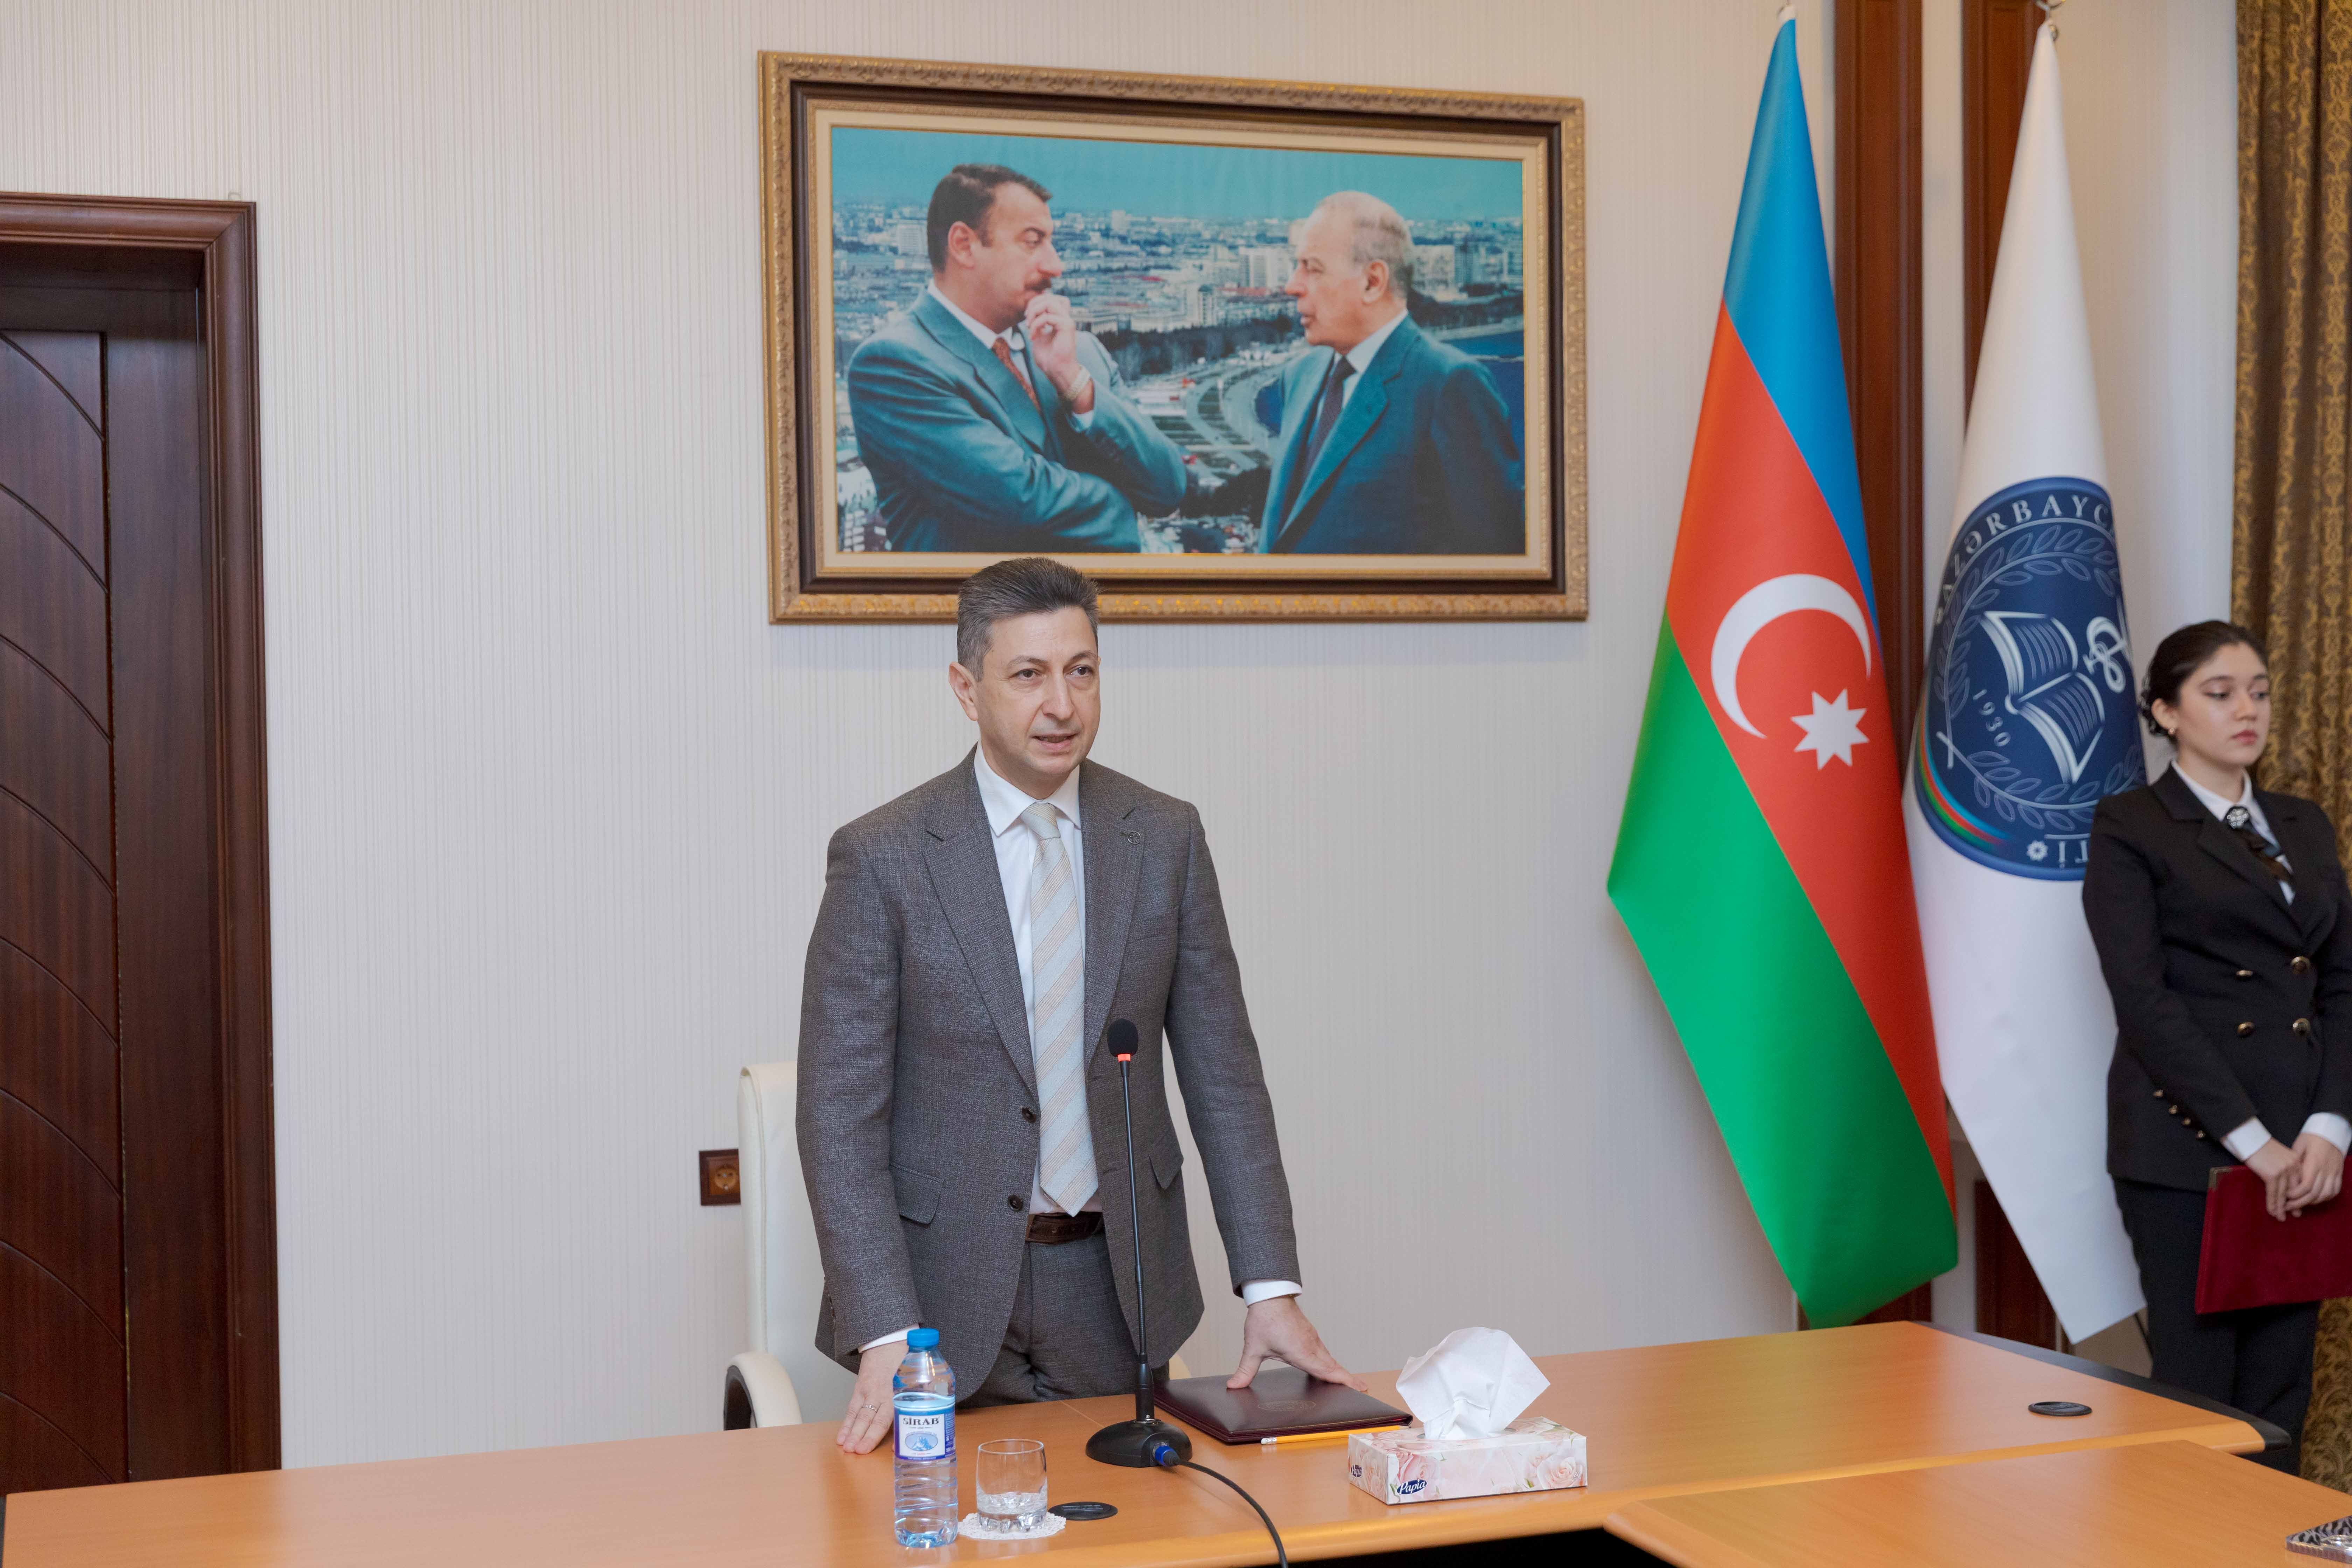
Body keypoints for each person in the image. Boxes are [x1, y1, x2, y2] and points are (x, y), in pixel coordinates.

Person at [797, 556, 1364, 1454]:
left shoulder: (1164, 837)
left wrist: (1270, 1287)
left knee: (1133, 1522)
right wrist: (885, 1327)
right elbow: (839, 1115)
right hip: (939, 1298)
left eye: (1082, 670)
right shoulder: (883, 857)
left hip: (1117, 1285)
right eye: (1028, 674)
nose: (1061, 704)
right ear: (966, 688)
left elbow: (1225, 1078)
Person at [2084, 620, 2352, 1472]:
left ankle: (2272, 1542)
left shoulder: (2304, 824)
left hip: (2305, 1148)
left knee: (2283, 1384)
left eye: (2260, 692)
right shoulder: (2131, 825)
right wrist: (2254, 1145)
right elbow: (2144, 1002)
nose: (2248, 710)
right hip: (2189, 1145)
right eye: (2221, 692)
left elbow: (2343, 983)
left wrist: (2330, 1128)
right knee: (2199, 1391)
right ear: (2166, 712)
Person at [846, 165, 1188, 554]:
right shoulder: (893, 364)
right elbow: (1020, 503)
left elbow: (1167, 488)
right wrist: (1126, 504)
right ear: (964, 245)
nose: (1055, 266)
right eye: (1032, 242)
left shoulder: (1080, 353)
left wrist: (1073, 381)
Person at [1256, 191, 1523, 555]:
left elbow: (1495, 558)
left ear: (1372, 282)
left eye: (1312, 268)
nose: (1292, 286)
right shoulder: (1300, 376)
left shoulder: (1449, 386)